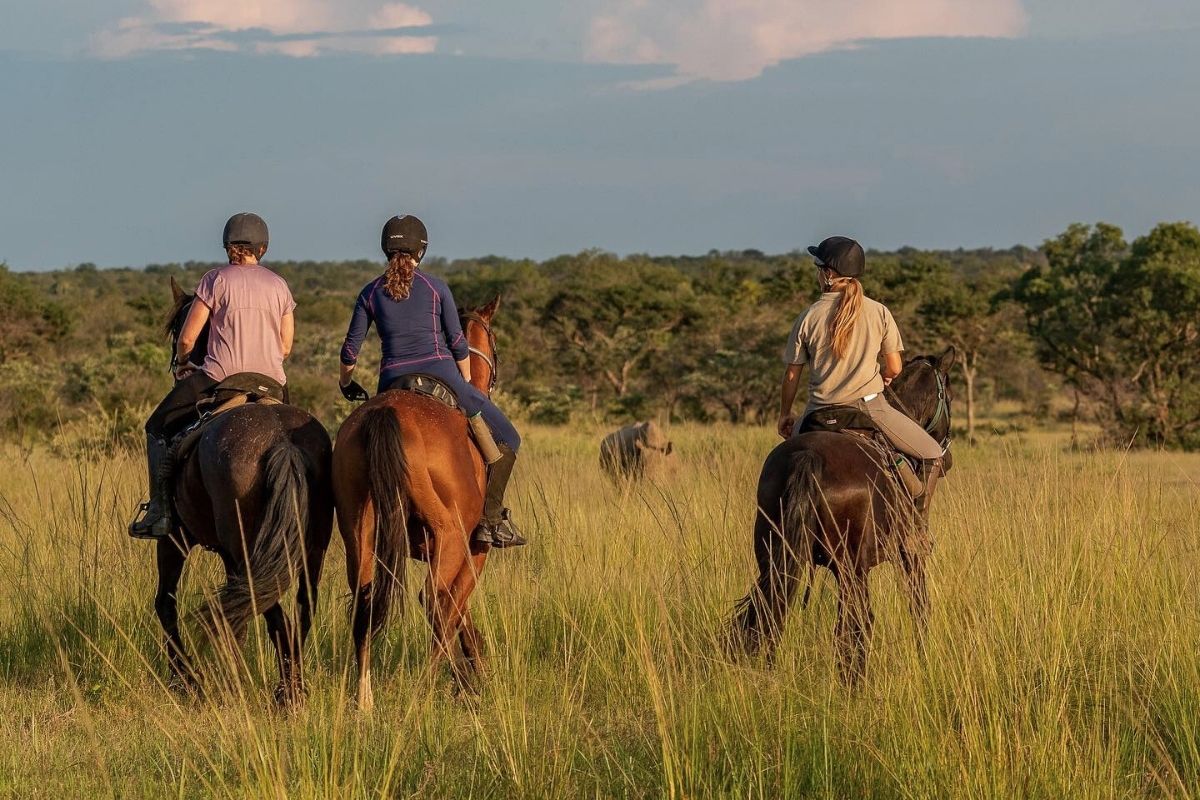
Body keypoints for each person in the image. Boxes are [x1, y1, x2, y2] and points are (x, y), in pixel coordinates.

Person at [338, 214, 525, 548]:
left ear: (385, 249)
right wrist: (465, 382)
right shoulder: (436, 287)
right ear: (421, 251)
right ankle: (491, 520)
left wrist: (346, 383)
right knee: (509, 439)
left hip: (392, 382)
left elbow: (351, 349)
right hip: (443, 375)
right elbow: (456, 341)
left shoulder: (369, 292)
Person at [129, 212, 296, 539]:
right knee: (296, 430)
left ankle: (160, 511)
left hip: (222, 377)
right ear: (262, 249)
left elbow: (189, 338)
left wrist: (184, 362)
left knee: (156, 427)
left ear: (227, 247)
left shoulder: (215, 280)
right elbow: (286, 346)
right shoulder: (279, 285)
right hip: (272, 380)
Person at [776, 235, 943, 508]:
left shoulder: (807, 317)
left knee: (782, 465)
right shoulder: (879, 312)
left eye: (818, 269)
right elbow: (895, 367)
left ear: (829, 275)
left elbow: (791, 376)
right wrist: (886, 375)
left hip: (817, 412)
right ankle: (916, 528)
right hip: (869, 408)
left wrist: (785, 414)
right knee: (931, 454)